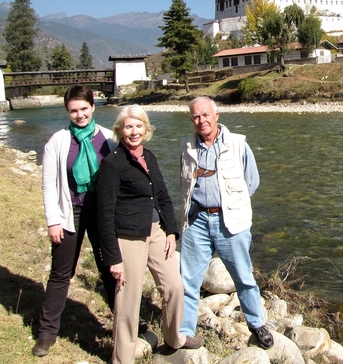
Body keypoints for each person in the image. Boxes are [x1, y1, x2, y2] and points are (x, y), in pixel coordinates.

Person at [97, 105, 203, 363]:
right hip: (128, 236)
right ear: (120, 130)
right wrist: (113, 258)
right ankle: (122, 358)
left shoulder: (150, 157)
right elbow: (104, 213)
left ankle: (173, 338)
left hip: (157, 232)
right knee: (128, 301)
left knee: (175, 287)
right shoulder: (113, 164)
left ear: (146, 129)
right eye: (129, 126)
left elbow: (163, 197)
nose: (134, 132)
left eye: (139, 126)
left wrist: (171, 233)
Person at [179, 96, 273, 349]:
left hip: (230, 221)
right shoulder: (186, 146)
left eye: (205, 115)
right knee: (187, 280)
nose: (201, 121)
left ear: (216, 115)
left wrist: (233, 205)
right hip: (196, 221)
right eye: (196, 117)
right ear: (192, 120)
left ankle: (257, 324)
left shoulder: (238, 144)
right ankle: (184, 331)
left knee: (243, 276)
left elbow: (251, 181)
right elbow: (184, 184)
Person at [33, 85, 118, 357]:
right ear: (67, 112)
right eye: (73, 110)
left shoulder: (108, 138)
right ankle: (47, 333)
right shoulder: (58, 141)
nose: (79, 115)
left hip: (102, 213)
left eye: (84, 109)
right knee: (61, 272)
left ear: (93, 107)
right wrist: (52, 220)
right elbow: (48, 184)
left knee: (111, 269)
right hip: (71, 211)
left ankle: (127, 324)